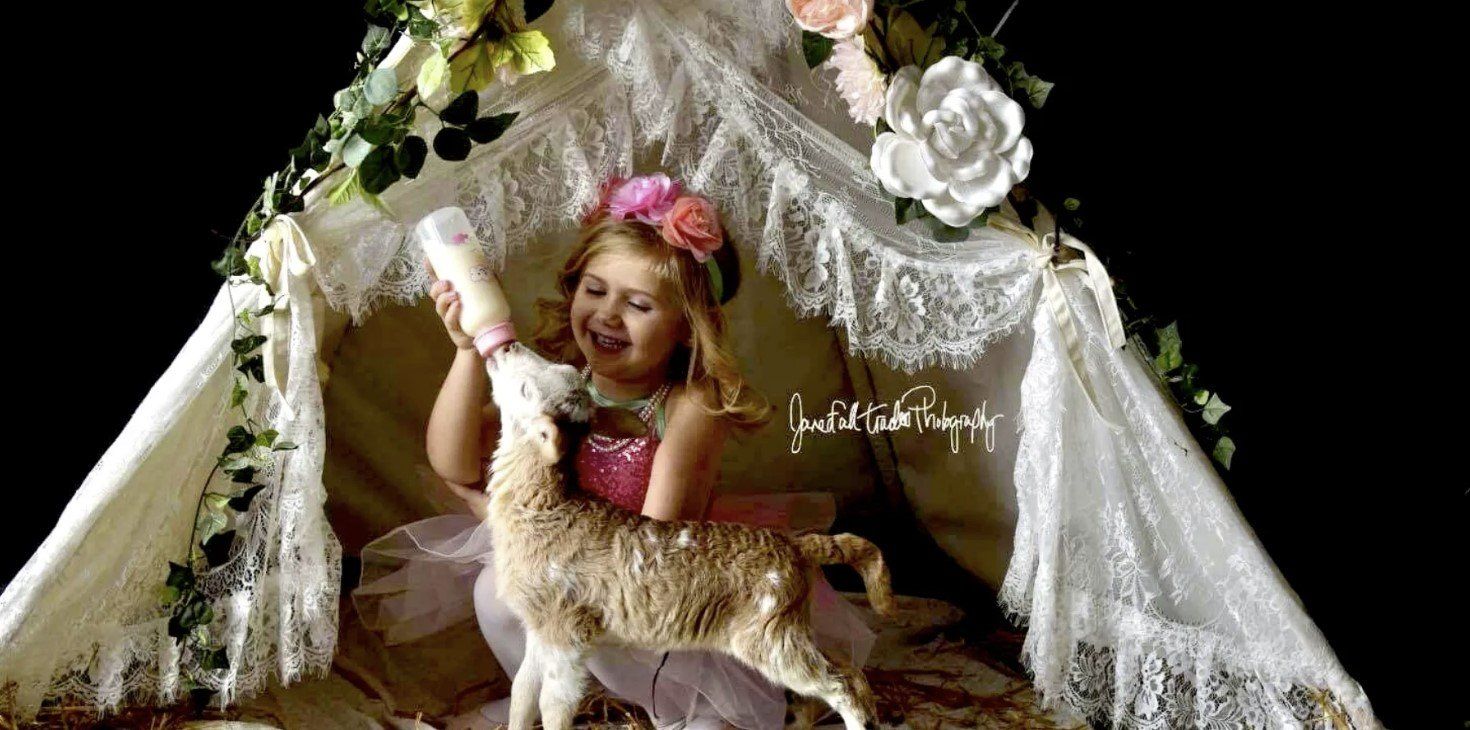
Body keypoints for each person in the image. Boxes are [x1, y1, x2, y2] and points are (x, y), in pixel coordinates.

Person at [354, 173, 875, 729]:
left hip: (659, 590)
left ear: (685, 330)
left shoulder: (689, 406)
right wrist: (466, 350)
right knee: (497, 592)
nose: (607, 314)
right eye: (595, 290)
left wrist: (521, 530)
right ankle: (577, 703)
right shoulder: (562, 380)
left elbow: (653, 539)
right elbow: (453, 462)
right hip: (571, 577)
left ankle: (657, 703)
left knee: (709, 717)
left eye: (639, 305)